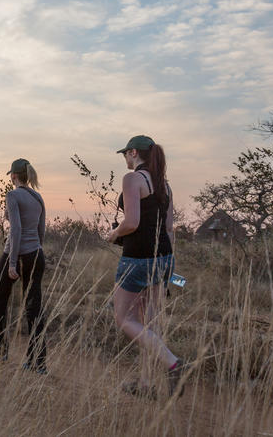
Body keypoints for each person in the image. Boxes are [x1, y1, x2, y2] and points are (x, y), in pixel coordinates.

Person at [105, 135, 183, 396]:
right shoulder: (165, 186)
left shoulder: (132, 179)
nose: (125, 159)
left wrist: (114, 234)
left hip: (137, 260)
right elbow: (169, 228)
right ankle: (146, 384)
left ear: (134, 153)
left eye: (125, 154)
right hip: (164, 258)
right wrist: (169, 268)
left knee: (124, 319)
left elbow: (131, 223)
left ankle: (173, 363)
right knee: (150, 325)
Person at [0, 158, 48, 375]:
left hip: (16, 254)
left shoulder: (12, 195)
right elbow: (41, 230)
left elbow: (16, 229)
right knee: (34, 307)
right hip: (36, 254)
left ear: (13, 175)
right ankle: (38, 362)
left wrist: (12, 262)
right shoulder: (37, 197)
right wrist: (37, 249)